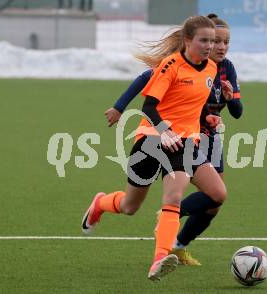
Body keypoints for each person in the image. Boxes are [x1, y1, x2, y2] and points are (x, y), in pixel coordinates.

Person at [81, 15, 227, 281]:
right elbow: (149, 106)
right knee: (129, 206)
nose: (209, 45)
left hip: (184, 143)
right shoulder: (170, 65)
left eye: (213, 41)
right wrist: (165, 131)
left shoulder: (211, 70)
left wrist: (208, 116)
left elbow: (194, 102)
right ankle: (99, 204)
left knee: (211, 193)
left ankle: (160, 256)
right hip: (151, 140)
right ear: (187, 41)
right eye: (203, 40)